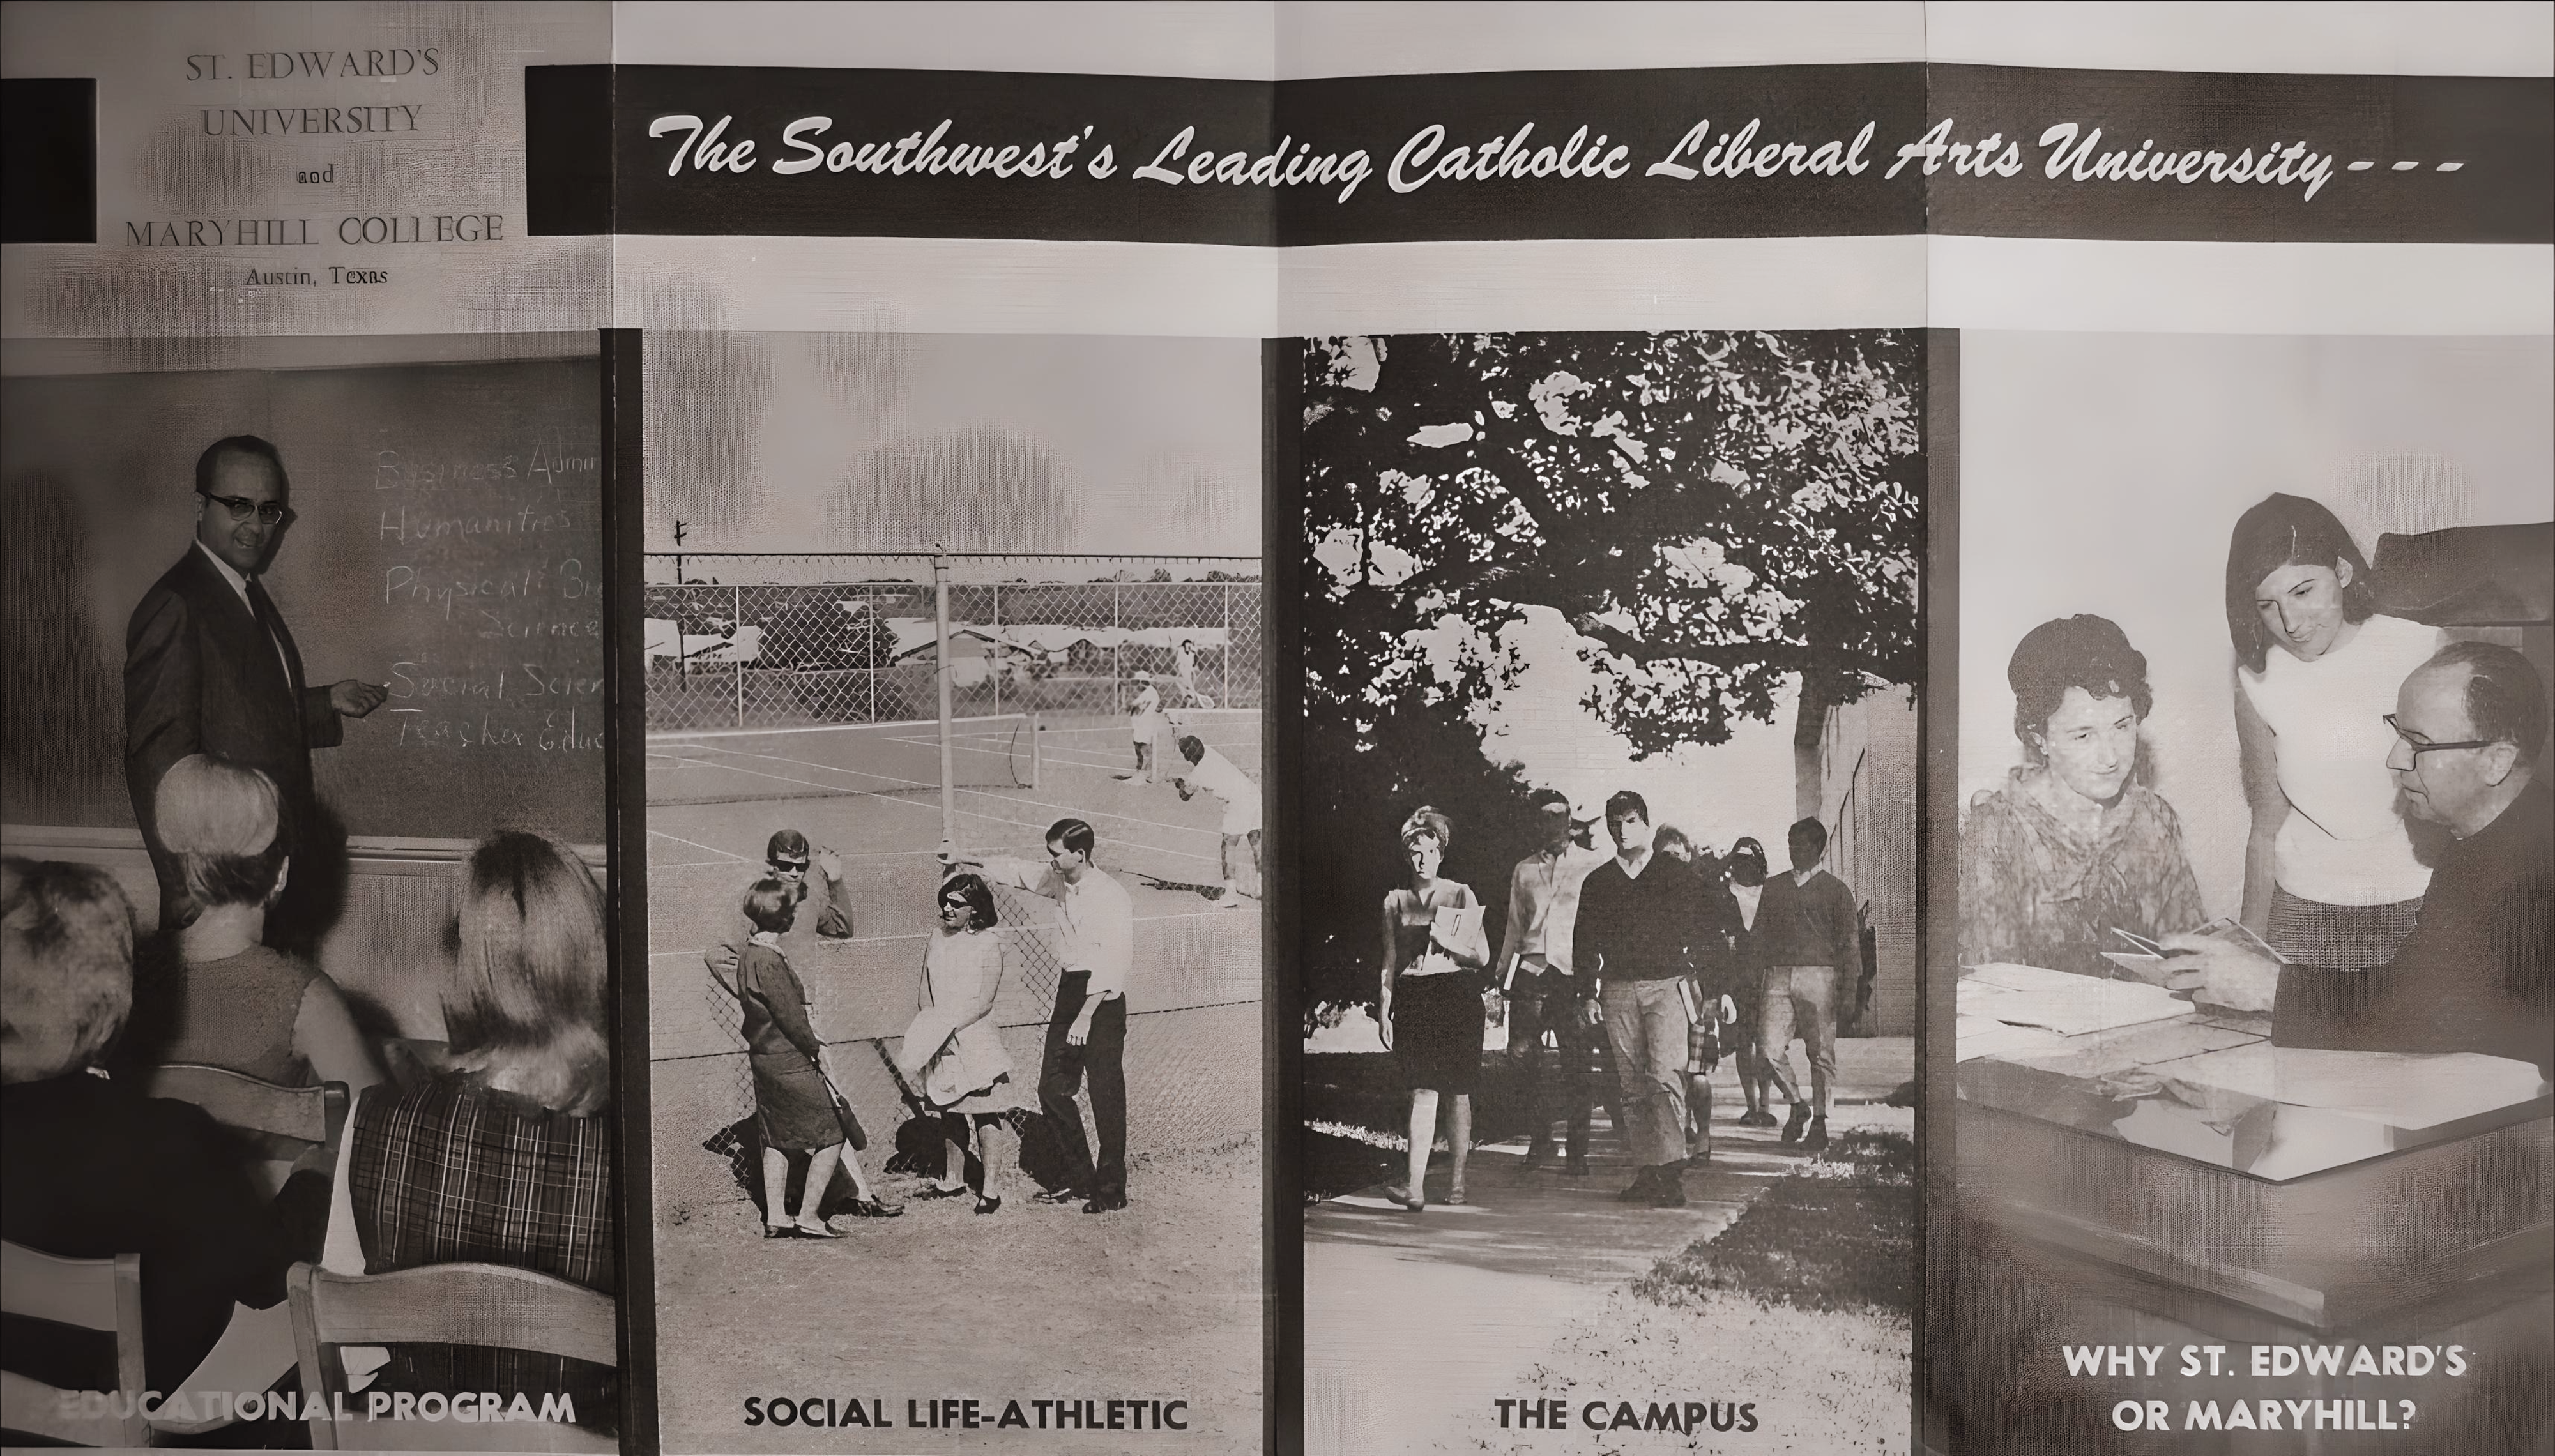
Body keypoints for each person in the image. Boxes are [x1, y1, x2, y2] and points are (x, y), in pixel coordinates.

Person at [322, 833, 618, 1432]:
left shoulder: (373, 1117)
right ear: (591, 963)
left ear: (462, 965)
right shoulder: (625, 1161)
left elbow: (351, 1347)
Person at [2169, 642, 2552, 1079]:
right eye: (2399, 734)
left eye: (2419, 744)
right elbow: (2414, 991)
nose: (2395, 759)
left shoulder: (2534, 864)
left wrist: (2269, 987)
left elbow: (2430, 1015)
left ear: (2496, 761)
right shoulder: (2483, 837)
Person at [1, 858, 298, 1396]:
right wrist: (309, 1191)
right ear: (114, 1003)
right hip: (139, 1429)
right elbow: (268, 1286)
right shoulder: (173, 1140)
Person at [125, 435, 389, 933]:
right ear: (200, 506)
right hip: (219, 899)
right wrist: (187, 895)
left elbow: (237, 709)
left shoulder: (240, 589)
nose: (256, 527)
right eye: (240, 507)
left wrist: (327, 701)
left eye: (269, 511)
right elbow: (156, 760)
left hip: (268, 881)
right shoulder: (178, 604)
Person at [2227, 494, 2448, 968]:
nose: (2291, 623)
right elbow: (2267, 824)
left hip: (2418, 909)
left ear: (2344, 572)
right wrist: (2249, 947)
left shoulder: (2420, 648)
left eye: (2304, 591)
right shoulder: (2258, 678)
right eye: (2268, 605)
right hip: (2301, 917)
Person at [1962, 614, 2208, 978]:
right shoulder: (1999, 832)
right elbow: (1990, 983)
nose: (2111, 757)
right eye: (2083, 736)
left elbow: (2188, 952)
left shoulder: (2153, 817)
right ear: (2038, 736)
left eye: (2122, 727)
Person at [135, 754, 385, 1092]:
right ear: (280, 874)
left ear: (192, 869)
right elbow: (375, 1125)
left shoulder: (132, 970)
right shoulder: (305, 996)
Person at [960, 818, 1135, 1214]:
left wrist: (1086, 1016)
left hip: (1102, 1001)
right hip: (1071, 991)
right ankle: (1080, 1179)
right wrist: (963, 858)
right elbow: (1016, 870)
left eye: (1056, 855)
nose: (1050, 862)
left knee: (1105, 1095)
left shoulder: (1111, 896)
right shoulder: (1059, 879)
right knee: (1053, 1089)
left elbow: (1114, 961)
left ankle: (1110, 1189)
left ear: (1080, 854)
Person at [724, 875, 893, 1236]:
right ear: (784, 919)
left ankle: (776, 1218)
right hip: (789, 1059)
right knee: (833, 1132)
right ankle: (809, 1217)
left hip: (764, 1058)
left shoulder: (749, 953)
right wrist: (815, 1050)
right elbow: (792, 1017)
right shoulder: (769, 960)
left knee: (777, 1138)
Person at [1571, 791, 1700, 1208]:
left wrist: (1712, 985)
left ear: (1645, 823)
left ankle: (1672, 1172)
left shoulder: (1674, 874)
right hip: (1618, 989)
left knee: (1664, 1077)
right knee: (1630, 1084)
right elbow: (1585, 944)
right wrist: (1587, 994)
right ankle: (1648, 1172)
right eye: (1615, 824)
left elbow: (1710, 928)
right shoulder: (1599, 882)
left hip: (1667, 986)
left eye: (1629, 822)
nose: (1622, 831)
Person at [1378, 807, 1490, 1210]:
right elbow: (1389, 959)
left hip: (1456, 994)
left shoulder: (1461, 893)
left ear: (1441, 852)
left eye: (1429, 850)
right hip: (1414, 998)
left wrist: (1446, 939)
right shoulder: (1395, 900)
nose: (1422, 859)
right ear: (1406, 855)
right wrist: (1385, 1005)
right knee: (1422, 1091)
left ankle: (1458, 1184)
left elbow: (1480, 956)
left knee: (1458, 1093)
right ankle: (1416, 1187)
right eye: (1414, 852)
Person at [1492, 789, 1608, 1176]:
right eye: (1544, 817)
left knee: (1577, 1065)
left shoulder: (1592, 865)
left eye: (1559, 816)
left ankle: (1577, 1152)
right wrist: (1501, 973)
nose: (1553, 824)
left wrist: (1598, 980)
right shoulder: (1524, 870)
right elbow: (1514, 924)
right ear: (1536, 822)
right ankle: (1541, 1140)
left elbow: (1602, 928)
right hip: (1531, 974)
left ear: (1570, 820)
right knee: (1522, 1058)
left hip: (1573, 977)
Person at [897, 873, 1023, 1215]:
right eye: (945, 902)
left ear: (976, 909)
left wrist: (951, 1030)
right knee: (949, 1110)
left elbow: (984, 1001)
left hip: (975, 1038)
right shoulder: (936, 937)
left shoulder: (990, 942)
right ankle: (953, 1179)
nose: (946, 909)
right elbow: (924, 991)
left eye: (956, 904)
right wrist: (932, 1030)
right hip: (940, 1035)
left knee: (984, 1113)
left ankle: (990, 1190)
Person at [1755, 818, 1861, 1153]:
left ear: (1819, 848)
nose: (1794, 850)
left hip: (1821, 977)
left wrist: (1849, 992)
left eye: (1801, 844)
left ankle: (1820, 1121)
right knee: (1768, 1049)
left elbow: (1850, 946)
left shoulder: (1837, 891)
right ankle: (1796, 1103)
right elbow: (1759, 938)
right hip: (1777, 975)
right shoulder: (1773, 888)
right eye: (1790, 843)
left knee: (1821, 1054)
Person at [1721, 837, 1780, 1128]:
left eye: (1750, 859)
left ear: (1759, 862)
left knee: (1767, 1045)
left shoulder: (1771, 896)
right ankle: (1751, 1106)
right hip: (1737, 985)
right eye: (1739, 859)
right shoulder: (1724, 897)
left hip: (1768, 980)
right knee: (1744, 1045)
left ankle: (1766, 1106)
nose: (1744, 865)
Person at [1172, 733, 1262, 906]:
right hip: (1254, 794)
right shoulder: (1210, 752)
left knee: (1228, 843)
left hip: (1238, 802)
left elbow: (1185, 796)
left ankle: (1231, 895)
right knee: (1256, 840)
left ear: (1189, 758)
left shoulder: (1198, 774)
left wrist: (1179, 784)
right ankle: (1261, 887)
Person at [1121, 675, 1168, 782]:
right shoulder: (1149, 692)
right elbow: (1134, 705)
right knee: (1142, 749)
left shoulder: (1151, 692)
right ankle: (1143, 772)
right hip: (1142, 726)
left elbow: (1135, 705)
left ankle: (1144, 772)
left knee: (1144, 750)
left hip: (1146, 727)